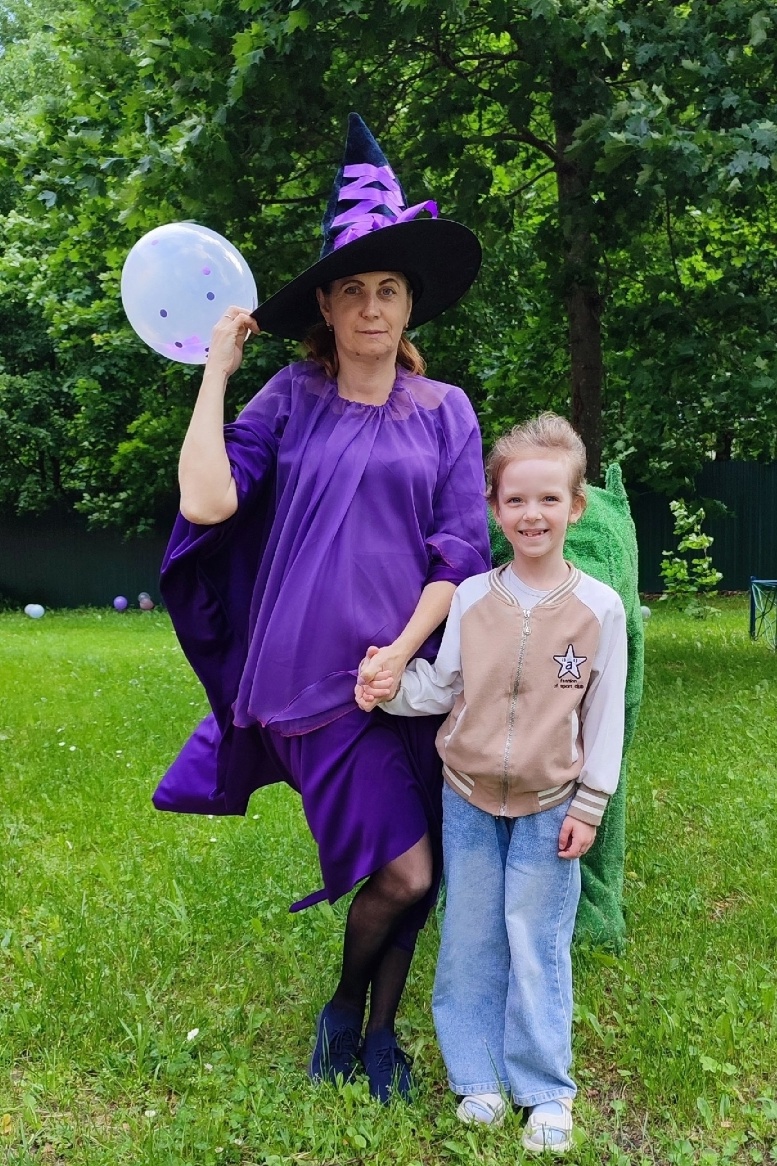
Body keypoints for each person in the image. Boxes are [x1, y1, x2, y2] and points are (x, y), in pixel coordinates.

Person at [153, 113, 491, 1102]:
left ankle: (378, 1035)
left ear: (410, 304)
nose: (372, 307)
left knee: (419, 867)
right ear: (328, 308)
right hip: (315, 680)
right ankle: (346, 1007)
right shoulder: (290, 398)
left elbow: (459, 552)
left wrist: (406, 651)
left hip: (416, 678)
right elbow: (207, 501)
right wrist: (217, 373)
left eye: (389, 289)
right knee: (405, 870)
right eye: (354, 290)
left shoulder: (448, 411)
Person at [357, 414, 627, 1149]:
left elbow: (604, 717)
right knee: (470, 940)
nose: (531, 515)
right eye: (515, 500)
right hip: (467, 801)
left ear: (575, 507)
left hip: (551, 807)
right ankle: (476, 1077)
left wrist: (590, 806)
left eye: (548, 499)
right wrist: (388, 687)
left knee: (537, 944)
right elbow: (445, 686)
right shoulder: (472, 597)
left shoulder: (599, 609)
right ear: (494, 508)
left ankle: (544, 1091)